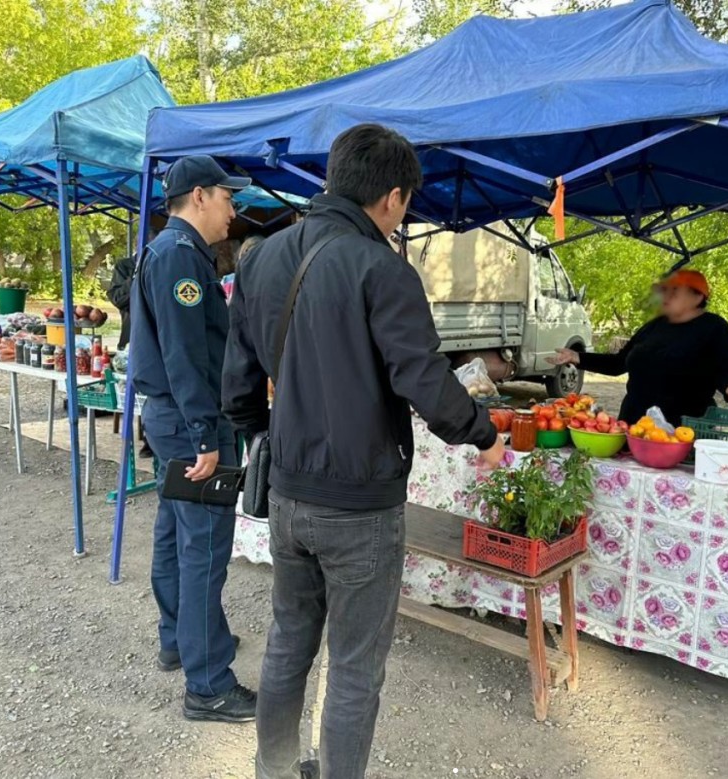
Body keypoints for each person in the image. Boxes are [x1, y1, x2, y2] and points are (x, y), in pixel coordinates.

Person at [223, 124, 506, 779]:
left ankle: (273, 769)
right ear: (394, 197)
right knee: (353, 664)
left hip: (289, 495)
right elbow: (426, 381)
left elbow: (236, 384)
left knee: (290, 638)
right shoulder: (382, 267)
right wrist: (482, 432)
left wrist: (263, 433)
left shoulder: (259, 259)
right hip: (361, 509)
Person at [128, 155, 257, 723]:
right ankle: (208, 685)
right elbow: (185, 357)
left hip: (174, 419)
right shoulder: (179, 255)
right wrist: (207, 436)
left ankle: (181, 640)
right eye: (229, 198)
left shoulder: (173, 251)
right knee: (202, 550)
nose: (234, 210)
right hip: (192, 424)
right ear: (200, 196)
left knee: (173, 535)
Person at [550, 269, 728, 426]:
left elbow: (727, 369)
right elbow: (619, 363)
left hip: (681, 429)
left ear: (697, 297)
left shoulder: (715, 327)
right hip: (634, 424)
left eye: (675, 292)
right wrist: (578, 357)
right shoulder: (654, 326)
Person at [107, 232, 157, 457]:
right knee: (132, 389)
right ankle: (137, 433)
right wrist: (138, 272)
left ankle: (151, 437)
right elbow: (118, 298)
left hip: (157, 336)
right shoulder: (124, 266)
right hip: (131, 337)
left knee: (154, 389)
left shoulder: (162, 264)